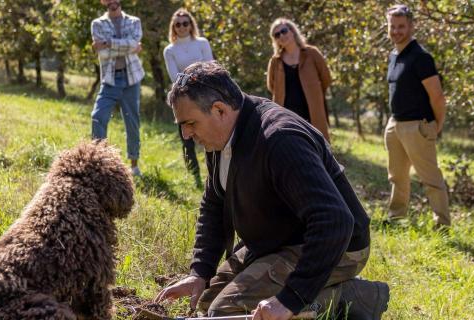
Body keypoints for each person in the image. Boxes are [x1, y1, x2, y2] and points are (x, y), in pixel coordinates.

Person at [155, 61, 389, 320]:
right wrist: (200, 272)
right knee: (207, 301)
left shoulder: (280, 139)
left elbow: (334, 221)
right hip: (277, 240)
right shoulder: (220, 138)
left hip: (336, 244)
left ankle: (349, 299)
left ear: (219, 110)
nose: (186, 134)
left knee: (227, 313)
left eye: (190, 123)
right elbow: (215, 204)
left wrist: (290, 300)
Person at [384, 5, 451, 227]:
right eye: (392, 26)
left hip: (417, 126)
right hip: (395, 125)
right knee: (397, 177)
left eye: (401, 26)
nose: (396, 31)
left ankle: (442, 224)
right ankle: (396, 218)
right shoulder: (394, 55)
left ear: (411, 26)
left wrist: (436, 125)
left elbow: (438, 97)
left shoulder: (421, 57)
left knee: (430, 179)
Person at [91, 0, 145, 176]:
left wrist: (107, 43)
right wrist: (128, 46)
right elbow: (104, 53)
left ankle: (134, 165)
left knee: (132, 121)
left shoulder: (134, 21)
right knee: (98, 117)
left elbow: (135, 43)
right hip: (110, 78)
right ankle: (99, 162)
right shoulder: (97, 24)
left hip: (132, 78)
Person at [163, 8, 213, 186]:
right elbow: (174, 77)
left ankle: (213, 175)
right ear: (173, 27)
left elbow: (210, 65)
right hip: (183, 99)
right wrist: (194, 78)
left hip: (205, 95)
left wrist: (194, 79)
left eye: (185, 23)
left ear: (191, 24)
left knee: (211, 136)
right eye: (178, 24)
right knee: (187, 140)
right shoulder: (170, 50)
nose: (182, 27)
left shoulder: (202, 42)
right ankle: (195, 178)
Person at [266, 18, 332, 142]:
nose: (281, 36)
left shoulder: (312, 53)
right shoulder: (275, 61)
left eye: (284, 31)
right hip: (286, 116)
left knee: (318, 148)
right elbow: (271, 86)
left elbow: (326, 78)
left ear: (292, 31)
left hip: (313, 113)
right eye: (277, 35)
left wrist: (315, 94)